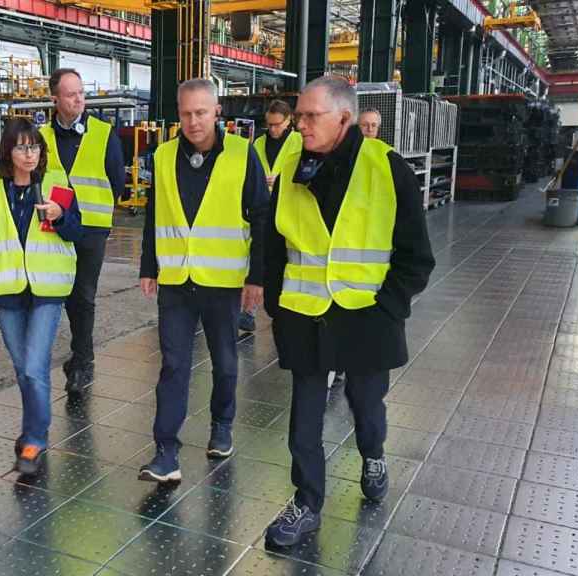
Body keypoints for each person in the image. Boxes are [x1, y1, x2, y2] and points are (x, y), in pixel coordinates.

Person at [262, 76, 434, 546]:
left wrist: (388, 308)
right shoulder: (294, 164)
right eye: (298, 116)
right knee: (305, 419)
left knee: (365, 403)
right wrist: (278, 307)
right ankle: (306, 502)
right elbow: (275, 244)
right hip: (306, 313)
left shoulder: (387, 168)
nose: (301, 125)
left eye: (310, 116)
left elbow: (416, 255)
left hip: (367, 316)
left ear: (344, 117)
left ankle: (373, 453)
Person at [137, 79, 269, 482]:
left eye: (201, 112)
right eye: (185, 113)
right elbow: (155, 212)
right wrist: (148, 266)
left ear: (217, 113)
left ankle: (222, 425)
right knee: (174, 365)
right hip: (176, 279)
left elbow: (262, 217)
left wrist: (256, 277)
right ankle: (165, 452)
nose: (193, 122)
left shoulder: (242, 155)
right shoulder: (162, 156)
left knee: (225, 362)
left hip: (223, 280)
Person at [0, 118, 83, 476]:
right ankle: (32, 430)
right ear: (8, 152)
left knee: (34, 367)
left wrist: (61, 216)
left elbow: (77, 231)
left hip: (48, 288)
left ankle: (34, 439)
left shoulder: (56, 183)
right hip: (8, 290)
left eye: (35, 147)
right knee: (23, 370)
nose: (30, 154)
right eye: (22, 147)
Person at [38, 68, 126, 394]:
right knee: (56, 294)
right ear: (55, 99)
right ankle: (74, 359)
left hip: (91, 228)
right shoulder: (41, 137)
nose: (79, 99)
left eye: (81, 92)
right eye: (71, 94)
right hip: (52, 227)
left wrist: (95, 210)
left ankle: (83, 363)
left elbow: (117, 181)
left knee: (83, 295)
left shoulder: (104, 133)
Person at [242, 100, 301, 333]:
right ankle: (248, 312)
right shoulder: (258, 143)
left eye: (278, 125)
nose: (273, 129)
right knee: (257, 257)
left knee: (284, 262)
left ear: (289, 121)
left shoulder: (299, 142)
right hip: (262, 209)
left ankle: (285, 312)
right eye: (270, 125)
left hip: (289, 209)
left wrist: (282, 181)